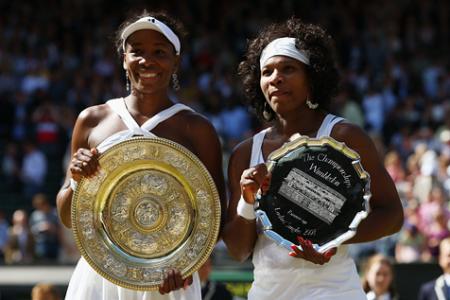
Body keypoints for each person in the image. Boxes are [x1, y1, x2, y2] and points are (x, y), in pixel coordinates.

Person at [222, 17, 403, 299]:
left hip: (334, 290)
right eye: (267, 71)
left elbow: (392, 215)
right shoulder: (244, 153)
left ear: (312, 76)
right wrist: (247, 201)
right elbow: (238, 250)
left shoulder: (345, 136)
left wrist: (332, 239)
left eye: (288, 68)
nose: (276, 78)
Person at [56, 10, 226, 300]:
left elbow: (216, 220)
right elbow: (68, 217)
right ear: (124, 59)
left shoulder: (197, 128)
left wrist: (185, 263)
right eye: (137, 52)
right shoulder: (91, 120)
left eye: (159, 52)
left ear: (176, 62)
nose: (147, 61)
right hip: (101, 275)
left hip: (170, 280)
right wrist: (75, 180)